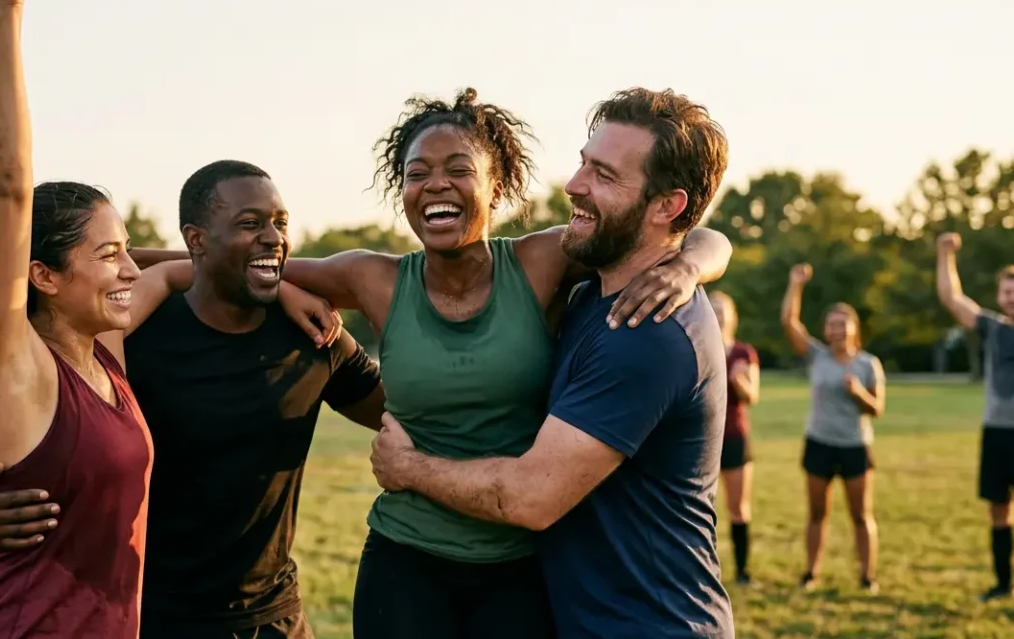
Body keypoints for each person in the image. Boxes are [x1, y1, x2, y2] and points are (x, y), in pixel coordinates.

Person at [129, 88, 735, 638]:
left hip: (518, 570)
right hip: (405, 563)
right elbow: (238, 263)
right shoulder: (374, 278)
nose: (435, 184)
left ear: (496, 188)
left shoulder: (546, 262)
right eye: (417, 173)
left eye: (458, 170)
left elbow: (682, 233)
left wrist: (690, 264)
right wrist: (129, 261)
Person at [0, 158, 387, 639]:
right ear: (196, 239)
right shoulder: (128, 334)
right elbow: (44, 438)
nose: (272, 237)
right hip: (150, 618)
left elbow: (402, 417)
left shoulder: (314, 337)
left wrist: (279, 282)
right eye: (249, 224)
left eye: (280, 223)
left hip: (274, 621)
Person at [368, 87, 735, 638]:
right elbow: (706, 237)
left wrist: (407, 468)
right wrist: (695, 260)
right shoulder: (595, 290)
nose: (574, 185)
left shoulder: (645, 333)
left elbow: (528, 497)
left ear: (667, 207)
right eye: (584, 163)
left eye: (605, 176)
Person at [0, 0, 160, 636]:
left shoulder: (105, 353)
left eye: (129, 250)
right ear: (41, 276)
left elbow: (182, 272)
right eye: (108, 254)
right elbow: (5, 187)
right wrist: (8, 15)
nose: (130, 268)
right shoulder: (17, 366)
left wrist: (288, 276)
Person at [780, 263, 885, 594]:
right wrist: (795, 284)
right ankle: (811, 573)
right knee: (816, 514)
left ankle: (867, 577)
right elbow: (788, 322)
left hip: (855, 445)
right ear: (826, 330)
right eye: (832, 324)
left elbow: (878, 408)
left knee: (860, 515)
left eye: (843, 324)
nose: (837, 329)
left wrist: (859, 394)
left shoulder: (868, 364)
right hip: (819, 443)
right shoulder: (817, 356)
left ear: (854, 328)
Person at [936, 232, 1014, 601]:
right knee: (999, 512)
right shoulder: (993, 327)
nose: (1012, 296)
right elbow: (952, 299)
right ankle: (1003, 585)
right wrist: (944, 256)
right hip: (997, 433)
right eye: (1007, 291)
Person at [709, 290, 760, 585]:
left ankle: (742, 571)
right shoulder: (696, 344)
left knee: (739, 507)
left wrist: (738, 381)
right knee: (702, 510)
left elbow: (752, 396)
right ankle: (705, 571)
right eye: (712, 308)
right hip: (703, 440)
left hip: (734, 437)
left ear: (732, 317)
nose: (717, 314)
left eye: (722, 310)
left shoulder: (743, 353)